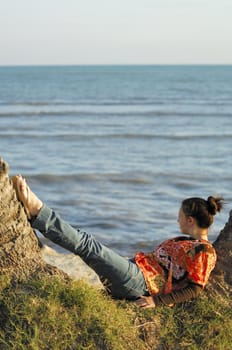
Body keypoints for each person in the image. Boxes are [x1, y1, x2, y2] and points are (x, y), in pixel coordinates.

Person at [12, 175, 223, 309]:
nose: (177, 219)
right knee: (86, 247)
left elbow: (196, 288)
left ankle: (38, 211)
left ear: (190, 220)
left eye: (180, 215)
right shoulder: (185, 242)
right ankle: (38, 216)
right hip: (134, 272)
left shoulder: (204, 251)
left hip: (139, 283)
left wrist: (156, 301)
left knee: (87, 245)